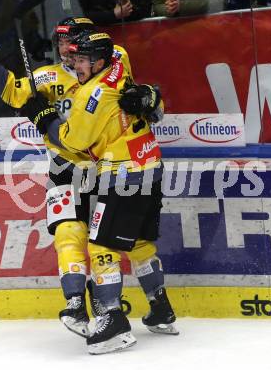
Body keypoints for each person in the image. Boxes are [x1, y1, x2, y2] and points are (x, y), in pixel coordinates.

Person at [27, 30, 178, 355]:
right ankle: (161, 308)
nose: (75, 64)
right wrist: (151, 95)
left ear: (97, 61)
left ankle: (112, 320)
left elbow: (71, 141)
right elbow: (148, 97)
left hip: (124, 173)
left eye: (81, 59)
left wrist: (44, 119)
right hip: (149, 165)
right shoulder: (118, 65)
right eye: (73, 58)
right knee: (138, 243)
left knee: (99, 246)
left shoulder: (89, 96)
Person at [0, 17, 103, 338]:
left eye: (69, 42)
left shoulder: (109, 71)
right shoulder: (45, 76)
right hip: (62, 169)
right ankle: (74, 303)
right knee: (67, 236)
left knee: (101, 242)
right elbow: (14, 93)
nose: (63, 49)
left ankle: (105, 300)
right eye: (59, 43)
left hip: (104, 170)